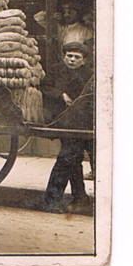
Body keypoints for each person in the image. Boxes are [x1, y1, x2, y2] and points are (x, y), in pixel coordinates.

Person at [40, 42, 94, 213]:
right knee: (68, 157)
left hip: (82, 122)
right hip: (61, 119)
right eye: (69, 56)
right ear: (64, 57)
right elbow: (45, 87)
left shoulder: (89, 75)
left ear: (84, 61)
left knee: (73, 157)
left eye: (77, 57)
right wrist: (61, 95)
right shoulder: (55, 71)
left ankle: (80, 197)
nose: (72, 60)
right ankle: (51, 201)